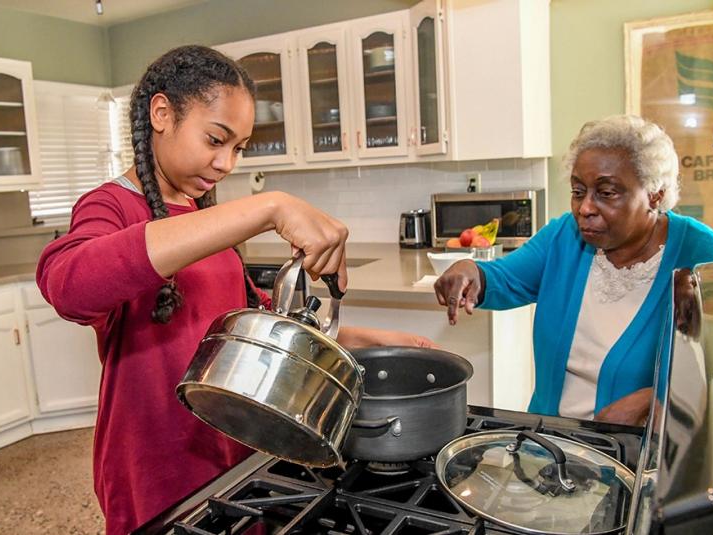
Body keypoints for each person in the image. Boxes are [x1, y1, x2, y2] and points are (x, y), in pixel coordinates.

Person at [36, 45, 435, 534]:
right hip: (159, 468)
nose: (226, 163)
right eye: (215, 139)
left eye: (240, 147)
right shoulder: (111, 206)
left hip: (235, 451)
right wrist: (267, 207)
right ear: (161, 114)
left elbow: (251, 317)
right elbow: (68, 284)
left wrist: (355, 339)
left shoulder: (203, 216)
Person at [434, 115, 713, 427]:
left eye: (606, 193)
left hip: (641, 458)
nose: (585, 208)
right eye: (578, 191)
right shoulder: (563, 237)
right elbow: (503, 277)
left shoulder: (709, 259)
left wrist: (660, 399)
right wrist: (470, 272)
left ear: (655, 194)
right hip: (550, 445)